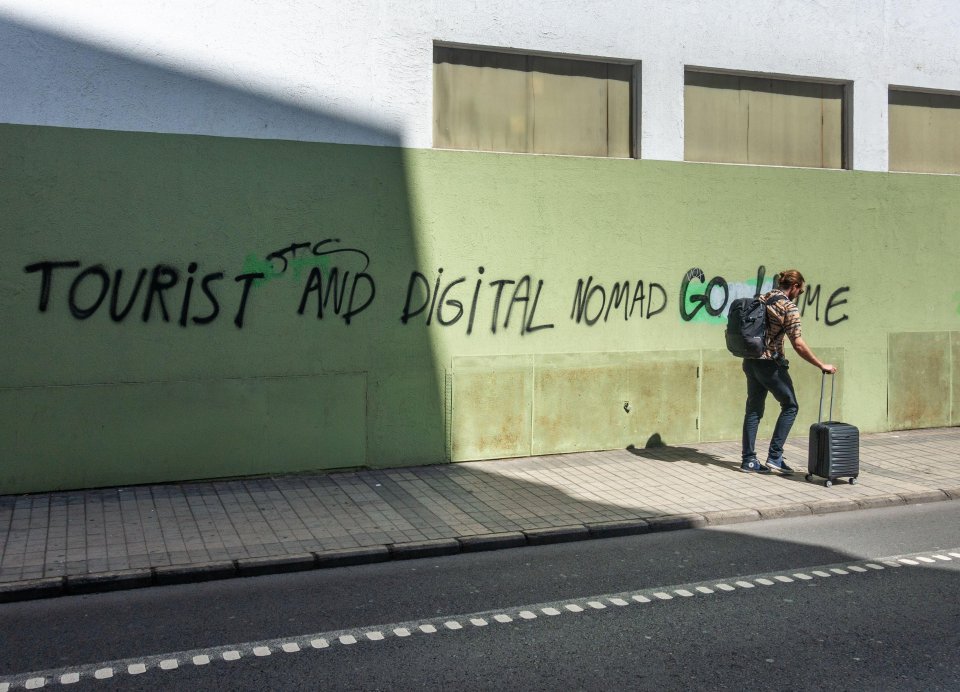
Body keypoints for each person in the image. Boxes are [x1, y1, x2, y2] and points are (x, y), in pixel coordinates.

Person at [740, 270, 838, 473]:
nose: (799, 294)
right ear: (794, 287)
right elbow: (798, 344)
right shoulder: (788, 307)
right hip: (770, 364)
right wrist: (821, 365)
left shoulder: (762, 298)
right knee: (790, 406)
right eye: (800, 291)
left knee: (754, 410)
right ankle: (775, 456)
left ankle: (748, 460)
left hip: (750, 361)